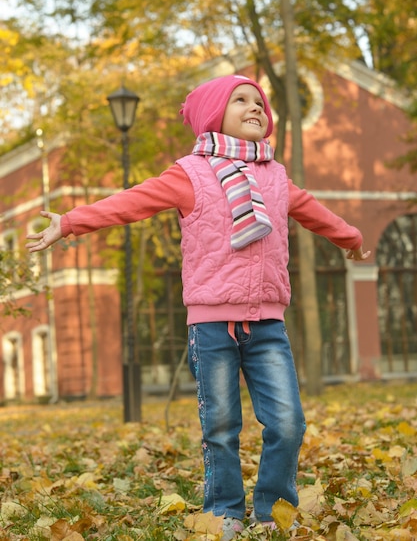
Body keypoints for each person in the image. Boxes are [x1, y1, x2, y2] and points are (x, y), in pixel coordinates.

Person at [27, 74, 370, 540]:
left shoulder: (275, 175)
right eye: (241, 100)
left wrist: (350, 237)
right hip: (212, 326)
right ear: (213, 114)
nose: (256, 108)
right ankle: (225, 510)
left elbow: (312, 210)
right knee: (221, 426)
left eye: (259, 102)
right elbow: (131, 202)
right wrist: (69, 222)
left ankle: (272, 510)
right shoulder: (190, 172)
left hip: (268, 322)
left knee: (288, 423)